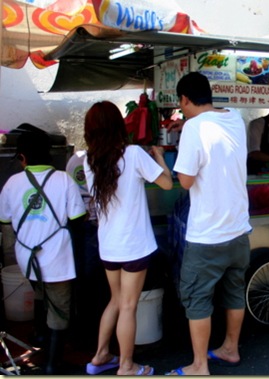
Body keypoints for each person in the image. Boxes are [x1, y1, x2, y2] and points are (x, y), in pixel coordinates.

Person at [166, 72, 252, 375]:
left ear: (185, 100)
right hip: (239, 231)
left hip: (208, 237)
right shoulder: (235, 118)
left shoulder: (193, 128)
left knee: (198, 299)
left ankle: (199, 365)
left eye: (181, 104)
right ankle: (230, 348)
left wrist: (181, 140)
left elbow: (186, 181)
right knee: (233, 292)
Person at [83, 101, 173, 376]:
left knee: (116, 300)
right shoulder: (133, 154)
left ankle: (100, 355)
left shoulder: (89, 160)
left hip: (109, 245)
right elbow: (167, 183)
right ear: (118, 125)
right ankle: (126, 366)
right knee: (129, 305)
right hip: (134, 245)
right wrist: (158, 157)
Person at [0, 128, 87, 374]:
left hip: (27, 258)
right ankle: (52, 365)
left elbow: (5, 221)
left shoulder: (11, 184)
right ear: (49, 155)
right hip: (57, 257)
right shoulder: (63, 179)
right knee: (59, 306)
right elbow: (77, 217)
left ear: (22, 157)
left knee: (41, 295)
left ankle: (40, 339)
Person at [66, 150, 108, 349]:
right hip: (91, 223)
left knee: (87, 280)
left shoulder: (77, 159)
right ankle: (91, 334)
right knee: (94, 281)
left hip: (85, 223)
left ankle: (88, 332)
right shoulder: (86, 159)